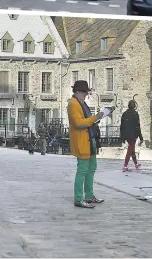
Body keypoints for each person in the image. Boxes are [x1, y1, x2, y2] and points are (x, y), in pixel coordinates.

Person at [68, 80, 107, 208]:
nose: (86, 95)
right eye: (85, 92)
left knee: (91, 169)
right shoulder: (73, 104)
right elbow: (79, 123)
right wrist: (95, 118)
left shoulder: (81, 103)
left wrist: (96, 119)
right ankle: (79, 198)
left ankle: (89, 195)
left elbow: (87, 121)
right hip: (82, 141)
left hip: (90, 140)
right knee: (82, 170)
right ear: (78, 91)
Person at [120, 100, 143, 172]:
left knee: (132, 149)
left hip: (126, 134)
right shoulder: (135, 114)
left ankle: (136, 164)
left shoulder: (124, 114)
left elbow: (122, 126)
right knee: (130, 149)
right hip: (133, 134)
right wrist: (141, 137)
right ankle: (125, 165)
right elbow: (137, 126)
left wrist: (122, 137)